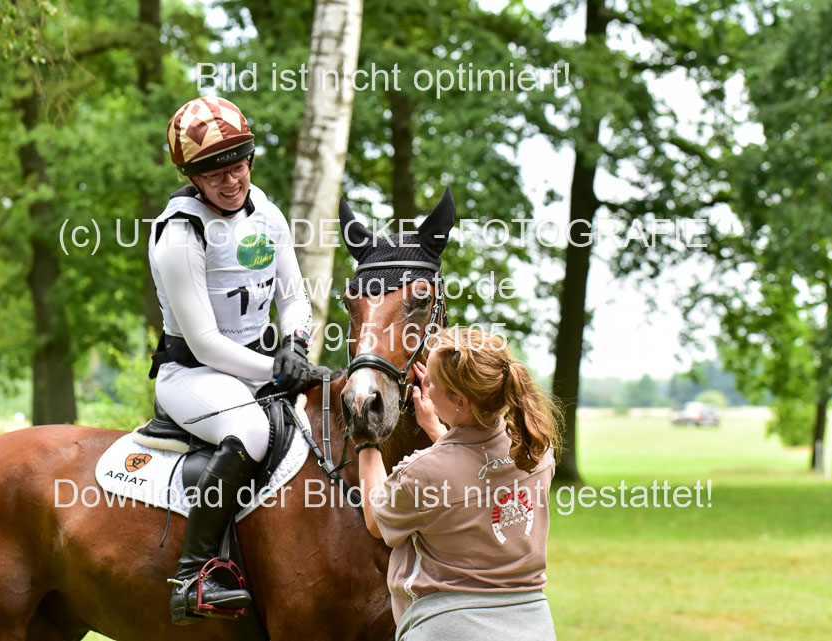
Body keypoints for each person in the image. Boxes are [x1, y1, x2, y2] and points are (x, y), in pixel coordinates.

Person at [149, 95, 318, 624]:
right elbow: (204, 343)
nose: (230, 182)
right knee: (251, 431)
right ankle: (194, 576)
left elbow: (295, 297)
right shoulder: (180, 234)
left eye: (238, 166)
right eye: (214, 174)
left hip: (258, 370)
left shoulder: (265, 211)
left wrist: (294, 344)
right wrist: (277, 371)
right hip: (193, 375)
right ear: (192, 177)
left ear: (251, 159)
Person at [357, 327, 562, 640]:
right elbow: (476, 477)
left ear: (461, 401)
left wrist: (367, 439)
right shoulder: (536, 450)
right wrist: (441, 431)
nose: (424, 384)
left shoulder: (422, 474)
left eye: (431, 382)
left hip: (450, 627)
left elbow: (375, 519)